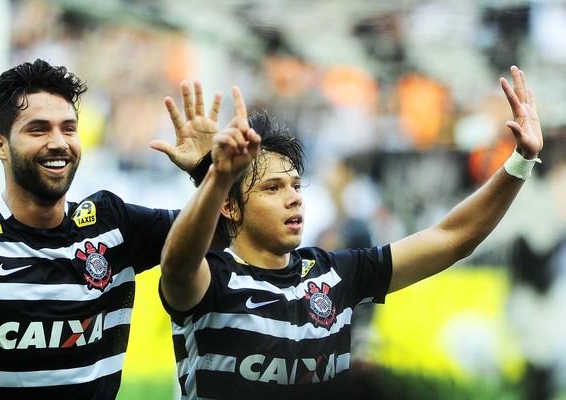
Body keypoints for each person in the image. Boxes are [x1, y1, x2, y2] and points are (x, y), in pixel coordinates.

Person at [159, 65, 543, 398]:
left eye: (295, 185)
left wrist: (521, 162)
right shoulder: (212, 280)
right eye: (272, 188)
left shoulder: (336, 275)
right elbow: (177, 264)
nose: (294, 198)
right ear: (230, 205)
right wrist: (217, 175)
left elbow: (451, 238)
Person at [0, 58, 224, 400]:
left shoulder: (115, 224)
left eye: (68, 128)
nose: (59, 142)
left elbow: (227, 233)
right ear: (0, 144)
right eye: (38, 129)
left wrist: (209, 171)